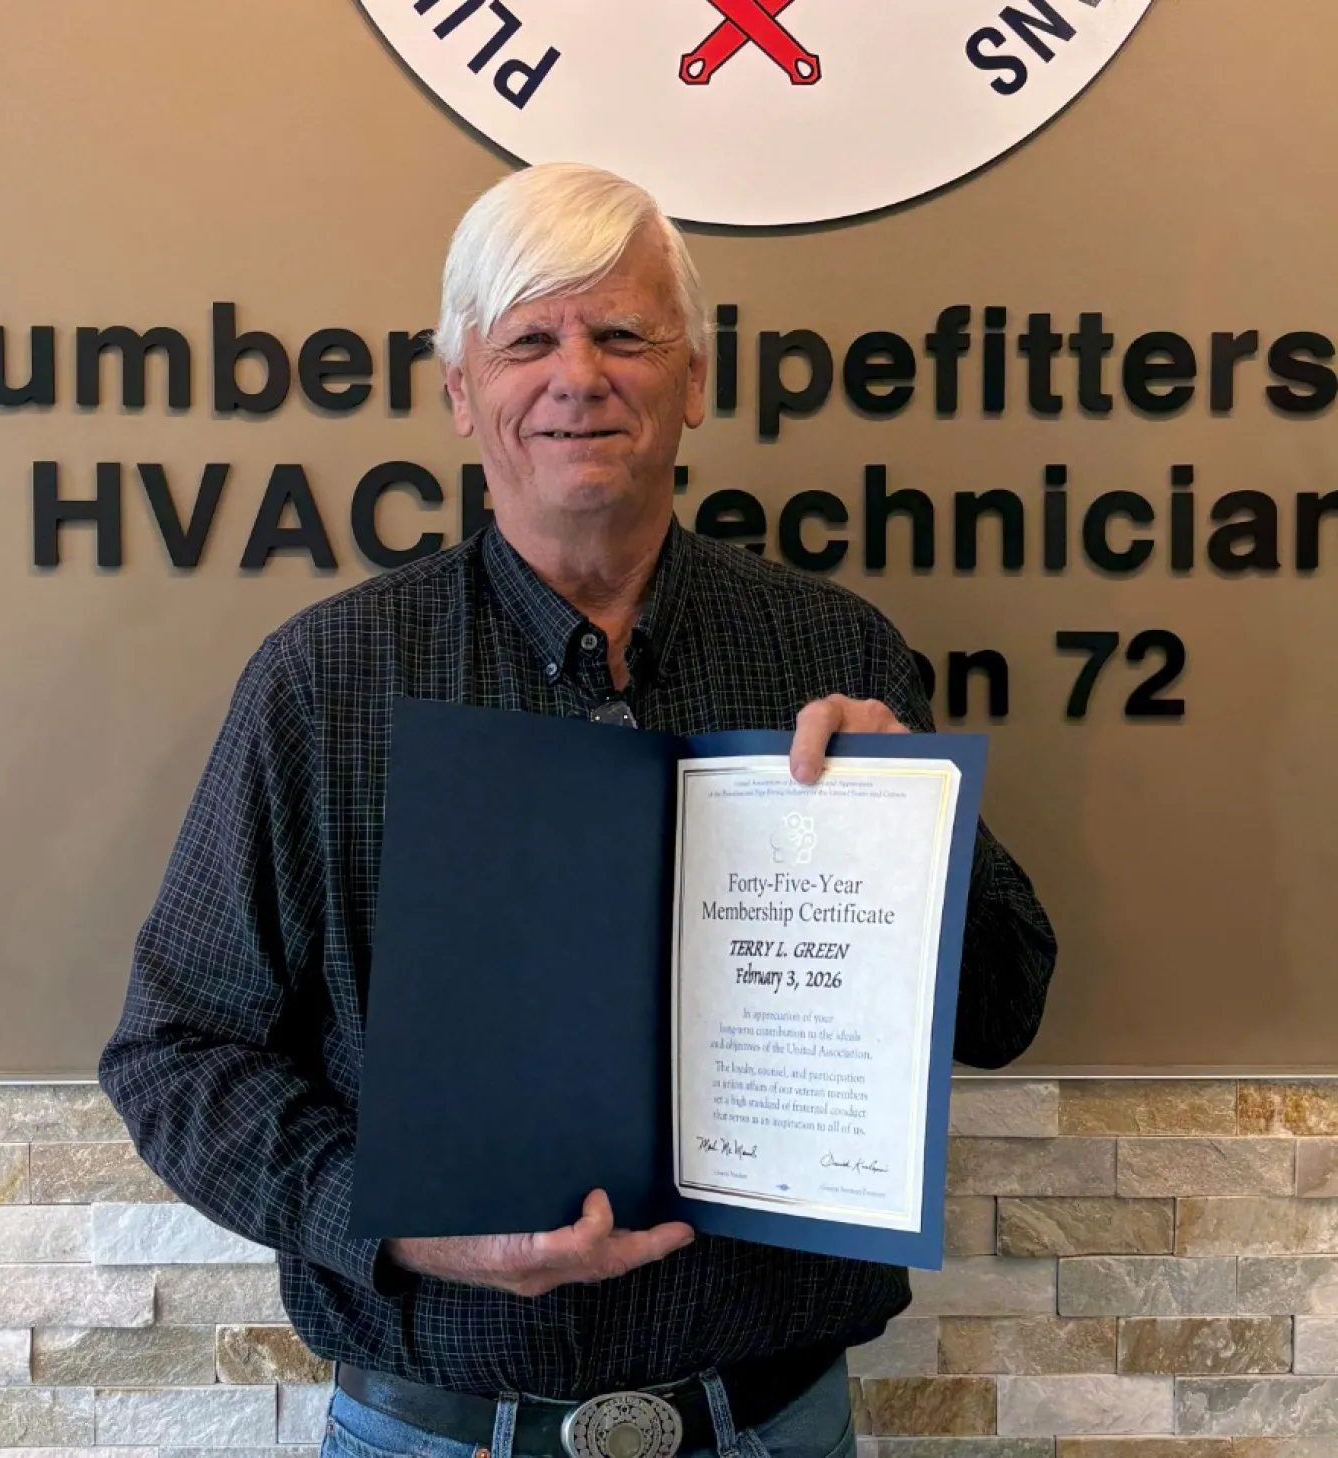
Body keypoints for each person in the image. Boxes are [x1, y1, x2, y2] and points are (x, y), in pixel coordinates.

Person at [98, 162, 1056, 1458]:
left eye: (622, 333)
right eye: (528, 339)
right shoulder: (325, 685)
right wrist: (391, 1219)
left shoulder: (831, 651)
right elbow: (175, 1055)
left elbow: (1004, 1010)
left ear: (697, 380)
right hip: (431, 1429)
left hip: (770, 1422)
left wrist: (911, 828)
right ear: (459, 394)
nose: (577, 375)